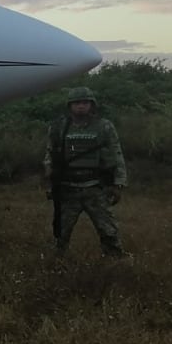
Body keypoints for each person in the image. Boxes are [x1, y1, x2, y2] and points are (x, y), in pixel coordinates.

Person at [43, 87, 128, 256]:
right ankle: (57, 264)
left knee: (109, 231)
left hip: (95, 188)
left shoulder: (104, 126)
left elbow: (116, 154)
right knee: (60, 233)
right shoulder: (58, 127)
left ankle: (116, 262)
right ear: (70, 106)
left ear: (92, 105)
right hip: (67, 189)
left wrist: (118, 183)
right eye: (76, 103)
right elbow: (49, 155)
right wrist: (49, 182)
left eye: (85, 102)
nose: (81, 106)